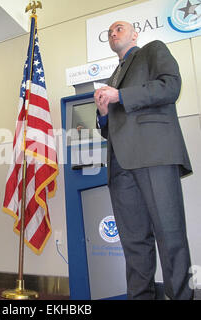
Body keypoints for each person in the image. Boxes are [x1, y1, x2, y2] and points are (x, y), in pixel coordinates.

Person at [94, 21, 194, 300]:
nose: (113, 33)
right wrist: (103, 113)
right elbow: (108, 127)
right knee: (134, 242)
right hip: (120, 165)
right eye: (110, 31)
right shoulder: (114, 75)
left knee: (170, 234)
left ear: (135, 34)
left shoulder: (153, 51)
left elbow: (171, 86)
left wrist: (121, 95)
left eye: (120, 29)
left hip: (154, 155)